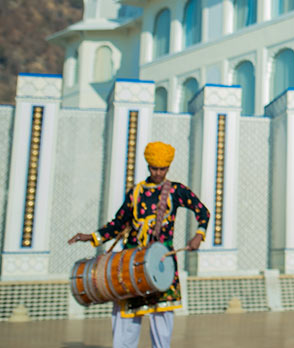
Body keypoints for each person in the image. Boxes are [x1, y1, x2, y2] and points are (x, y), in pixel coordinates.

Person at [69, 141, 210, 348]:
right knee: (126, 317)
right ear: (148, 166)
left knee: (162, 316)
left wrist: (199, 234)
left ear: (168, 168)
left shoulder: (176, 190)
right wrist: (91, 237)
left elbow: (203, 212)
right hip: (131, 263)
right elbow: (118, 224)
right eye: (154, 168)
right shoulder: (136, 193)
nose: (158, 173)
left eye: (162, 169)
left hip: (161, 261)